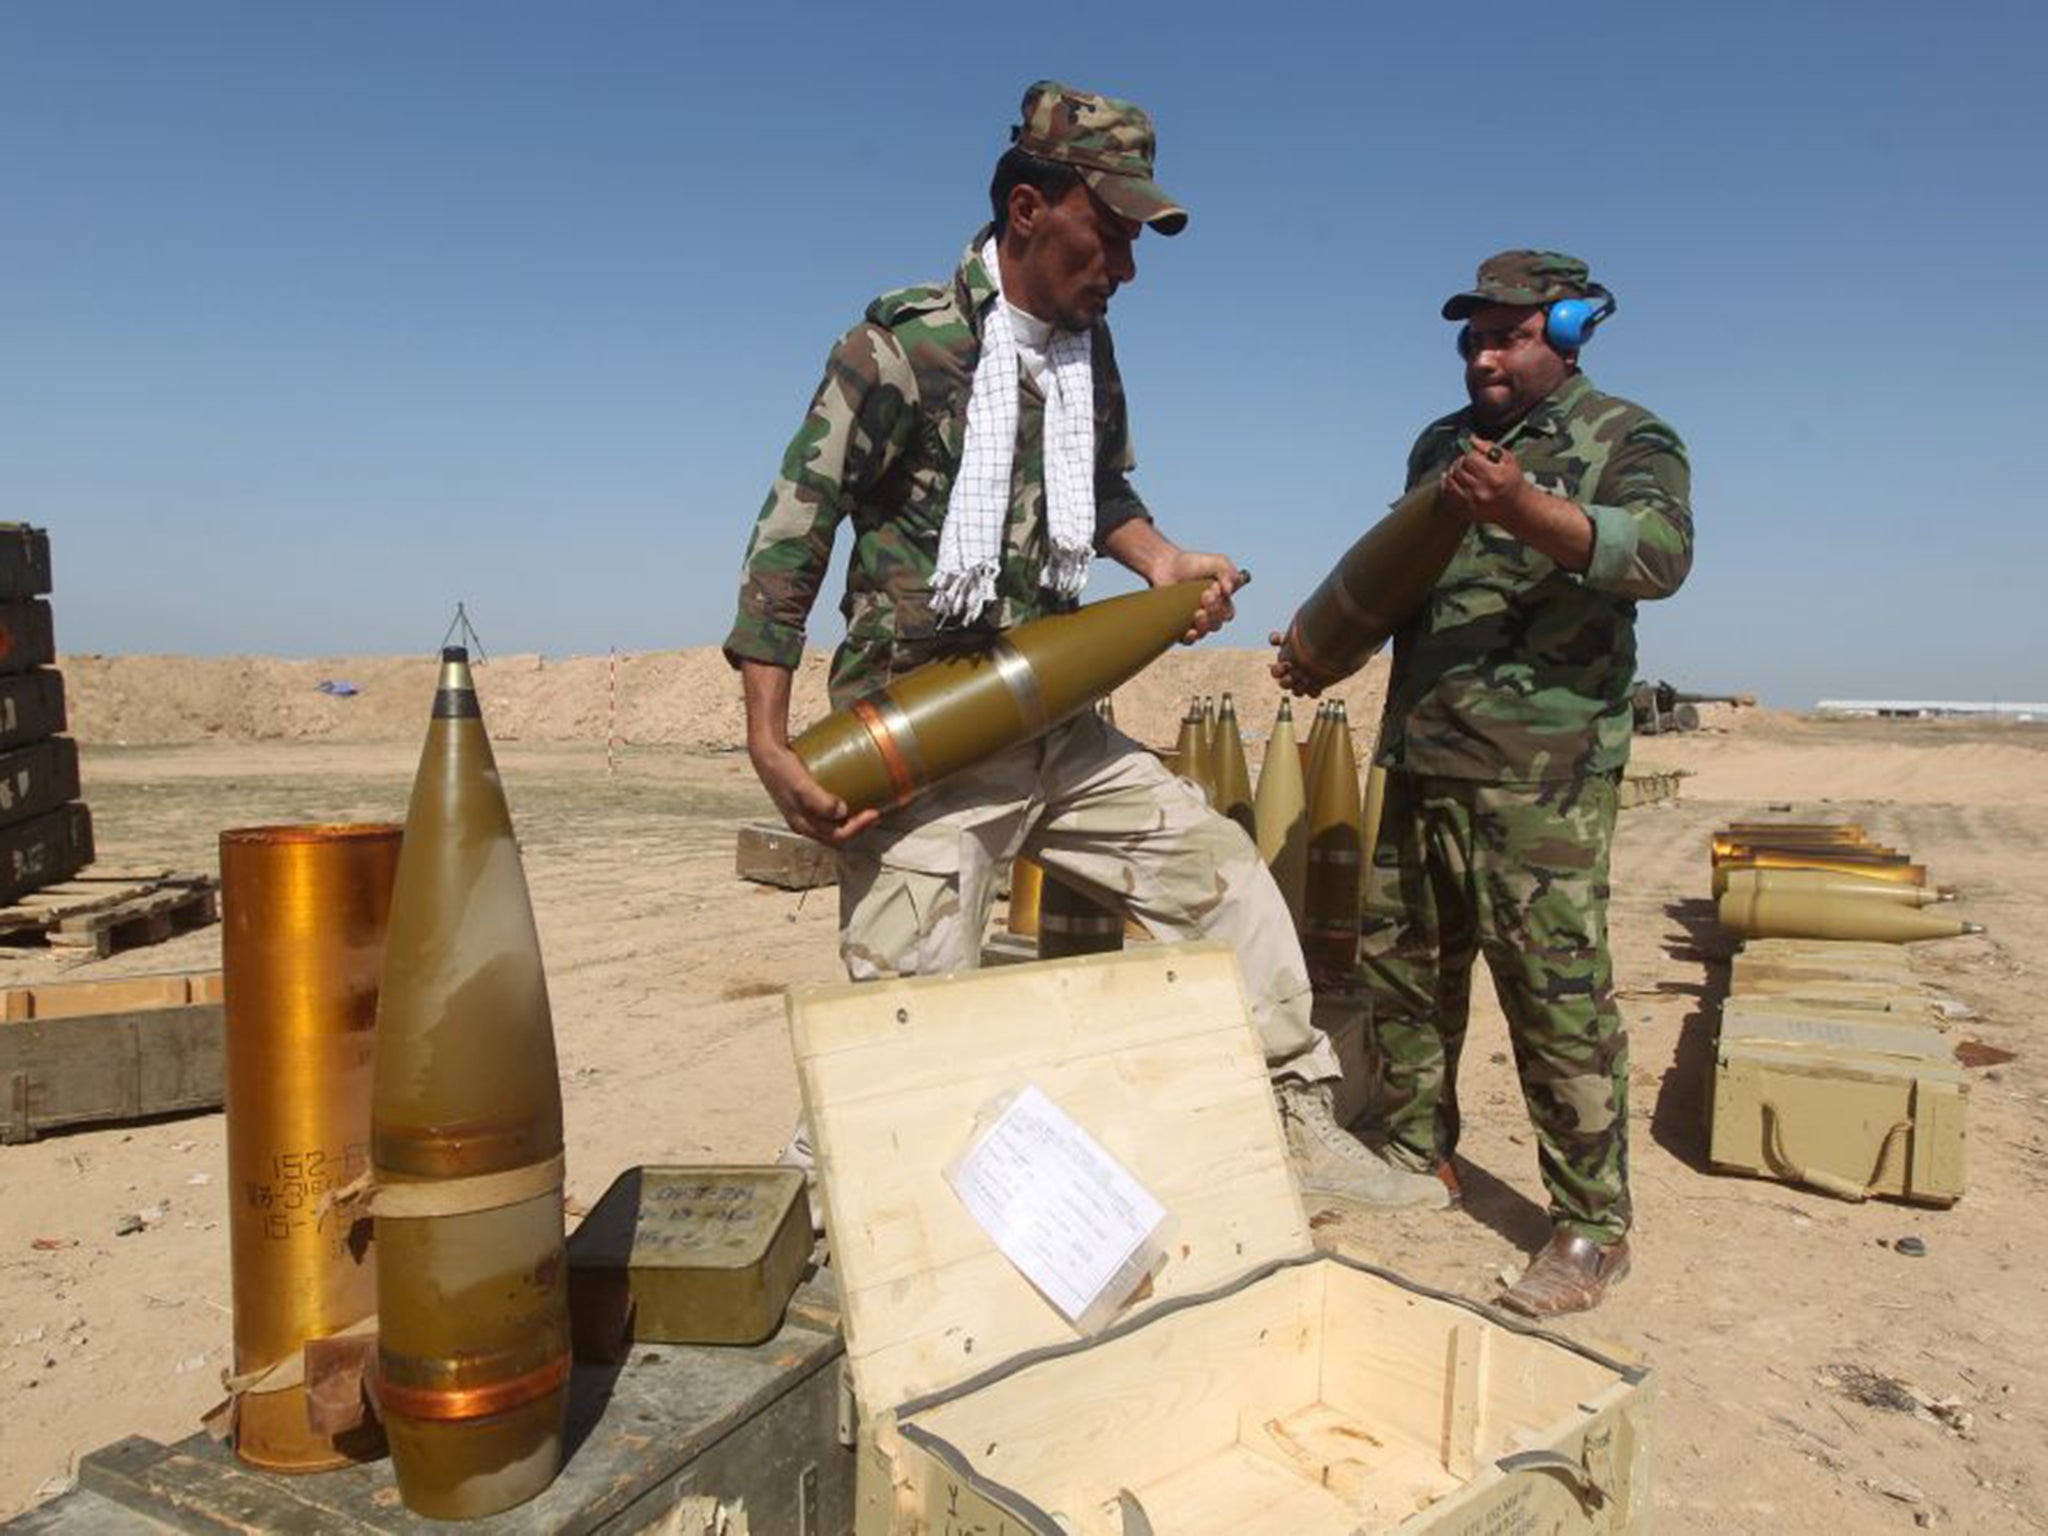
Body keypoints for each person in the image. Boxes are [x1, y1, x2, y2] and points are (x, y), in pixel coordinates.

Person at [722, 80, 1444, 1209]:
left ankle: (1291, 1109)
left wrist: (1161, 563)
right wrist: (769, 742)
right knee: (901, 1029)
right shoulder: (896, 348)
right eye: (1106, 231)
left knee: (1224, 881)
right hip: (923, 745)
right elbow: (791, 535)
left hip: (1058, 725)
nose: (1124, 266)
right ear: (1025, 207)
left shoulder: (1081, 354)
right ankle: (823, 1226)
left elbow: (1098, 490)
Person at [1347, 250, 1692, 1314]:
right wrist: (1332, 640)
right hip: (1421, 750)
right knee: (1404, 967)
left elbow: (1656, 558)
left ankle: (1590, 1227)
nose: (1483, 353)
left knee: (1552, 996)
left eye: (1508, 333)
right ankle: (1414, 1150)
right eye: (1472, 336)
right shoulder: (1439, 445)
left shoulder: (1626, 437)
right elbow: (1404, 578)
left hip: (1538, 775)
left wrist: (1521, 508)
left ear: (1570, 332)